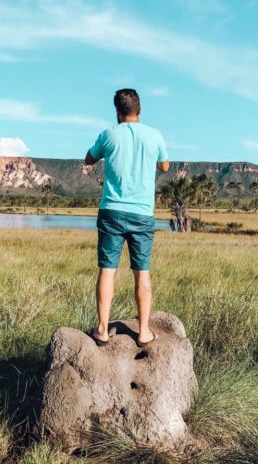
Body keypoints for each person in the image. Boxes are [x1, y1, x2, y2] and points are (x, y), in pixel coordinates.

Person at [85, 88, 170, 347]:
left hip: (111, 210)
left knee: (107, 271)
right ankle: (144, 332)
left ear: (117, 111)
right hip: (142, 214)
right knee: (142, 273)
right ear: (140, 110)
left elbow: (88, 158)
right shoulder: (154, 135)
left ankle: (102, 330)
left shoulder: (108, 134)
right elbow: (165, 165)